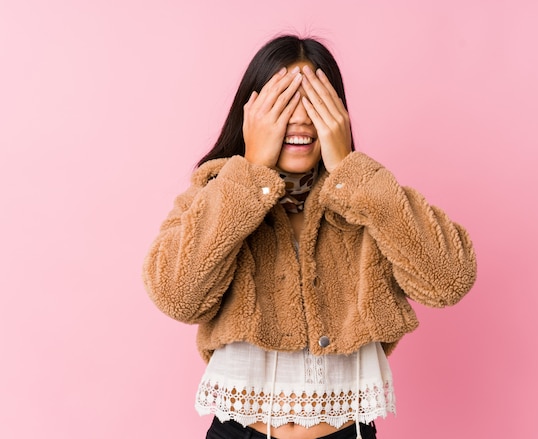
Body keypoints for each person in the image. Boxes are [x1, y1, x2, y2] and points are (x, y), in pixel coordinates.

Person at [143, 34, 477, 439]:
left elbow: (449, 281)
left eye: (315, 101)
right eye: (283, 101)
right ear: (251, 114)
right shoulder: (216, 192)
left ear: (338, 113)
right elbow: (177, 296)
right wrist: (249, 172)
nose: (300, 119)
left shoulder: (369, 198)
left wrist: (352, 171)